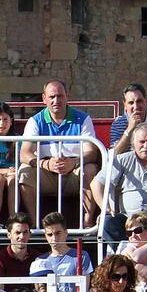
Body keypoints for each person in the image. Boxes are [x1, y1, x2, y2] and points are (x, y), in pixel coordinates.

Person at [18, 79, 99, 223]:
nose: (56, 100)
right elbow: (25, 153)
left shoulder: (83, 119)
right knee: (25, 172)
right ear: (44, 99)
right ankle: (36, 223)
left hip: (74, 173)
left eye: (60, 96)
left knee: (91, 170)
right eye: (52, 97)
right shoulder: (35, 121)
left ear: (67, 96)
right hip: (46, 173)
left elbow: (91, 152)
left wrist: (73, 163)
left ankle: (87, 222)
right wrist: (46, 164)